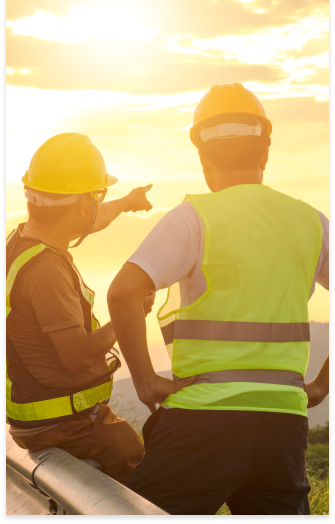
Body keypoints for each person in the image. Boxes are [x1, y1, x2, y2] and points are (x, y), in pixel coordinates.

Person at [108, 83, 329, 514]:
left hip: (202, 420)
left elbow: (123, 291)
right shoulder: (312, 222)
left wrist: (146, 381)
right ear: (265, 152)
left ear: (203, 158)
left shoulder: (194, 218)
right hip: (283, 423)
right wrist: (321, 383)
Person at [6, 132, 155, 484]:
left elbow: (90, 217)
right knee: (135, 459)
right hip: (63, 426)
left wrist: (125, 203)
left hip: (36, 420)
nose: (95, 207)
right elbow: (76, 356)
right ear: (78, 206)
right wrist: (128, 313)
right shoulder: (45, 271)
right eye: (93, 199)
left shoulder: (23, 241)